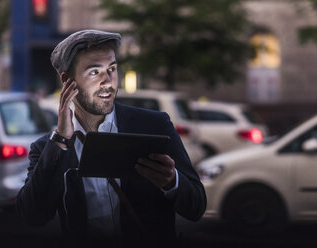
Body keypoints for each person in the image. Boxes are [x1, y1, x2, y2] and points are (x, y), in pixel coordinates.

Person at [16, 29, 206, 247]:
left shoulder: (154, 125)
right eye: (95, 72)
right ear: (68, 81)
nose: (108, 81)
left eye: (112, 69)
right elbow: (33, 216)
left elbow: (197, 207)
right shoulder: (47, 148)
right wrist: (59, 140)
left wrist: (172, 182)